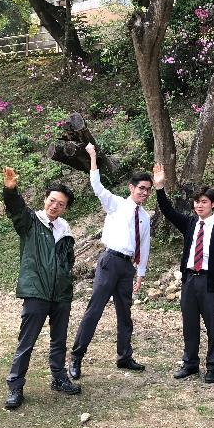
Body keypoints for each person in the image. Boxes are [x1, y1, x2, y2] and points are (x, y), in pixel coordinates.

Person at [68, 144, 152, 378]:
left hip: (127, 267)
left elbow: (144, 245)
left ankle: (124, 356)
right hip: (110, 261)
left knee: (125, 313)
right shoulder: (116, 204)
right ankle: (76, 357)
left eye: (148, 190)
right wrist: (93, 157)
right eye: (141, 188)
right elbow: (97, 186)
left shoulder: (145, 217)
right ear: (131, 188)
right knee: (94, 310)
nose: (145, 193)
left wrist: (140, 272)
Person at [2, 168, 79, 409]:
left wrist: (65, 279)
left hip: (61, 294)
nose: (55, 206)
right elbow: (16, 209)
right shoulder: (30, 222)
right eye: (52, 200)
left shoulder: (65, 229)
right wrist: (11, 191)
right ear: (45, 199)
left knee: (59, 339)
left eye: (61, 204)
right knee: (27, 341)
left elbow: (68, 260)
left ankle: (59, 378)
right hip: (36, 291)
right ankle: (15, 386)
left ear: (65, 208)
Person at [152, 164, 214, 383]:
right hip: (189, 279)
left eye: (204, 202)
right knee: (189, 324)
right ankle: (190, 363)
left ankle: (212, 366)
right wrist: (159, 187)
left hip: (209, 282)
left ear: (213, 204)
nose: (199, 205)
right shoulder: (190, 224)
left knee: (213, 326)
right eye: (197, 201)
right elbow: (168, 212)